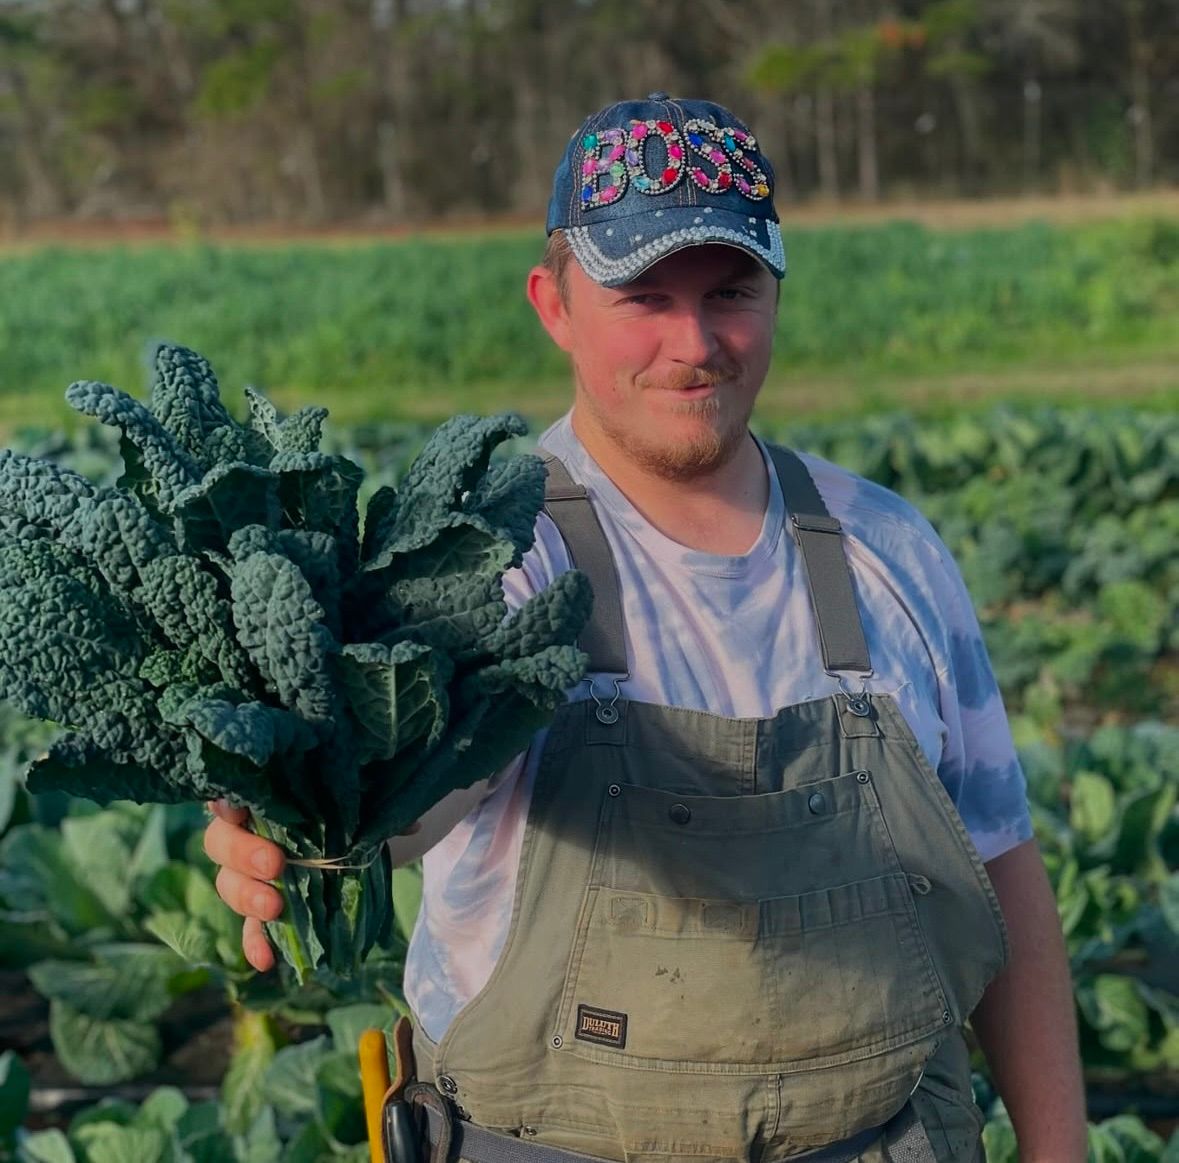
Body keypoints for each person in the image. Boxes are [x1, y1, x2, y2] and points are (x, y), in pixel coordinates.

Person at [204, 93, 1087, 1161]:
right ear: (554, 303)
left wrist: (1058, 1146)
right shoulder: (482, 561)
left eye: (731, 290)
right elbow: (394, 813)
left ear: (775, 291)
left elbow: (1000, 862)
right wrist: (288, 824)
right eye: (644, 296)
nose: (695, 341)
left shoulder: (886, 550)